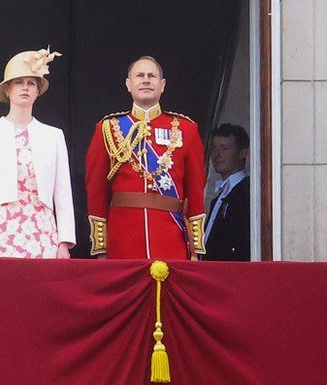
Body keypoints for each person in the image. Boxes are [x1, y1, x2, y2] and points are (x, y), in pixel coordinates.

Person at [84, 56, 206, 261]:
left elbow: (195, 189)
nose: (146, 80)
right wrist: (101, 247)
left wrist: (196, 249)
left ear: (162, 85)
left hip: (171, 237)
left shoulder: (186, 129)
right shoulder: (107, 128)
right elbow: (95, 190)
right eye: (139, 76)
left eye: (152, 76)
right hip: (122, 238)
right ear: (128, 84)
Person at [0, 48, 75, 259]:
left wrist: (64, 243)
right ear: (7, 89)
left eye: (31, 83)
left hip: (43, 231)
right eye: (18, 82)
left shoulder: (53, 135)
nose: (25, 88)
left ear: (37, 91)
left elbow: (63, 192)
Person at [204, 123, 250, 261]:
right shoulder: (219, 196)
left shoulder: (247, 192)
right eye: (214, 148)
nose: (217, 155)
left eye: (225, 148)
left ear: (242, 153)